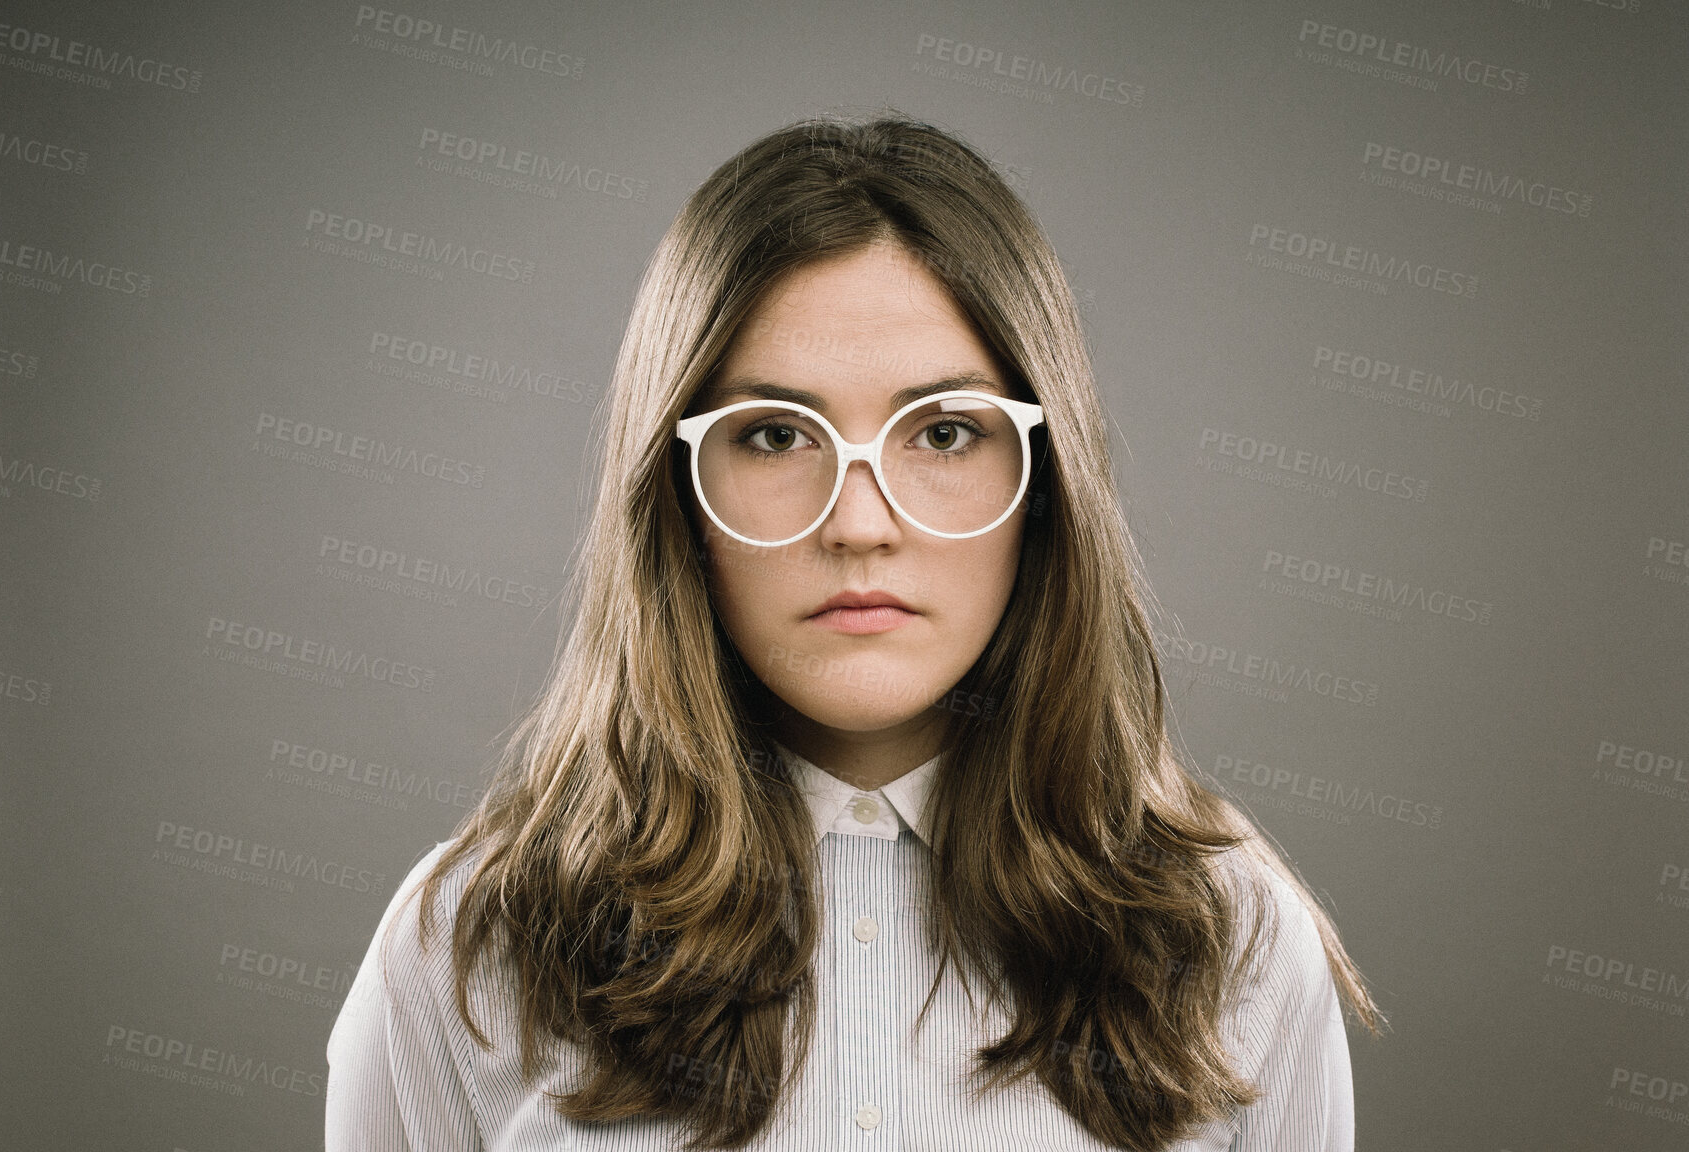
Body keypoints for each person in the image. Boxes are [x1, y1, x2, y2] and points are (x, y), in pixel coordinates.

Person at [325, 112, 1383, 1152]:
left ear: (1047, 485)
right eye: (778, 436)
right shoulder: (467, 948)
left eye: (945, 432)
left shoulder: (1230, 937)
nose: (860, 525)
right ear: (675, 495)